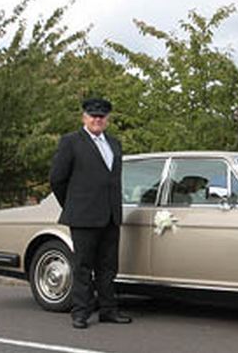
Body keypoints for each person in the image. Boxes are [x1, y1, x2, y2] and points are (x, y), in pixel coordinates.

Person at [50, 98, 132, 329]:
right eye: (93, 115)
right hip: (83, 216)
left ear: (107, 120)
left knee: (108, 268)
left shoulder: (115, 144)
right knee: (83, 267)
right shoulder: (71, 142)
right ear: (84, 117)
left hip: (110, 216)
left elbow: (112, 181)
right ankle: (80, 313)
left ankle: (108, 310)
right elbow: (57, 179)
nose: (97, 119)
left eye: (102, 116)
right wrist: (73, 205)